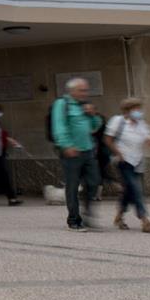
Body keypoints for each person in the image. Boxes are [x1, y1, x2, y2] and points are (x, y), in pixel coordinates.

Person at [51, 77, 103, 231]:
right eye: (82, 90)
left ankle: (87, 213)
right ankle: (74, 219)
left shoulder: (84, 106)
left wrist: (93, 114)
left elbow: (95, 126)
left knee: (94, 182)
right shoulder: (62, 104)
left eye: (86, 90)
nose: (85, 93)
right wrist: (66, 145)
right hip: (71, 152)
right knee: (72, 186)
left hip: (88, 151)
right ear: (72, 90)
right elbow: (59, 126)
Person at [105, 98, 150, 233]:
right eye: (135, 108)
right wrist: (118, 153)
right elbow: (107, 139)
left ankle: (119, 216)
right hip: (124, 161)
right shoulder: (117, 121)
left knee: (130, 191)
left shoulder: (141, 124)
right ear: (127, 110)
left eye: (139, 108)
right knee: (136, 189)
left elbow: (148, 139)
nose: (138, 111)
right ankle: (145, 221)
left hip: (138, 161)